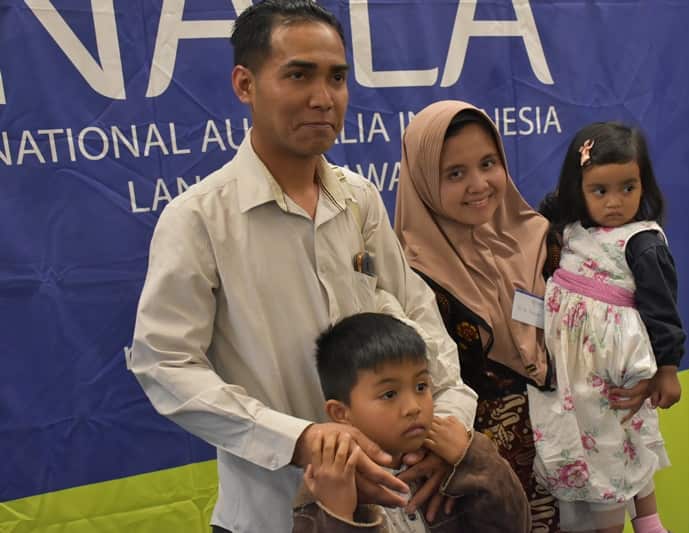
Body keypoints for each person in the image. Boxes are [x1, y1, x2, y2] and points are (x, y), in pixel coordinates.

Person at [127, 3, 476, 532]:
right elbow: (165, 365)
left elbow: (420, 323)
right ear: (245, 84)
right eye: (298, 74)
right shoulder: (200, 218)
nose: (323, 97)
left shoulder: (358, 200)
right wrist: (298, 440)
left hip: (393, 508)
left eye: (336, 77)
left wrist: (448, 424)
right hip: (271, 513)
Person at [394, 100, 565, 531]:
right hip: (469, 479)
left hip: (559, 464)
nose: (479, 184)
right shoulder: (405, 278)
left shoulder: (542, 240)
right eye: (455, 173)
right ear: (423, 181)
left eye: (488, 163)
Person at [529, 122, 685, 533]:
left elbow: (663, 311)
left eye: (628, 188)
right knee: (596, 448)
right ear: (577, 188)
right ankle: (639, 519)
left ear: (643, 185)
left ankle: (645, 521)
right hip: (572, 371)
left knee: (618, 447)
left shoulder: (643, 241)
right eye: (600, 190)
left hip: (612, 371)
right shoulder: (570, 229)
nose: (615, 202)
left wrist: (667, 369)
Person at [293, 312, 530, 533]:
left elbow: (515, 525)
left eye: (421, 387)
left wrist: (472, 459)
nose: (414, 407)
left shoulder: (450, 452)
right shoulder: (328, 480)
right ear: (341, 413)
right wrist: (336, 513)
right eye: (389, 394)